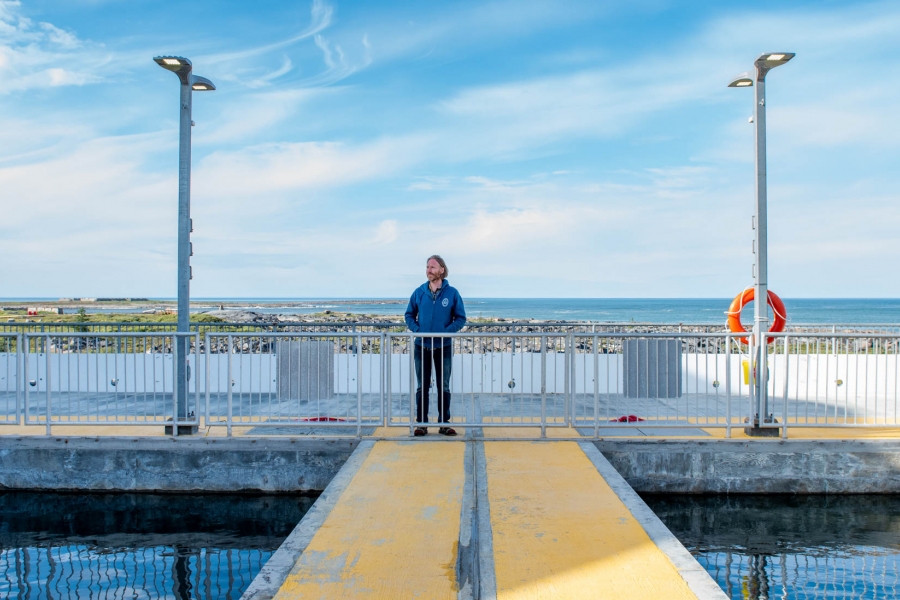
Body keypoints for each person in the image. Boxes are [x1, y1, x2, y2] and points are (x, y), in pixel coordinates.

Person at [404, 255, 466, 436]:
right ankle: (421, 424)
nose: (428, 270)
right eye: (427, 267)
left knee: (443, 386)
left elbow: (461, 318)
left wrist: (447, 332)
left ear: (442, 270)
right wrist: (418, 330)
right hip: (421, 346)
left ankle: (444, 424)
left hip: (443, 346)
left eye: (432, 267)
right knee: (422, 386)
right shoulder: (419, 292)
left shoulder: (452, 293)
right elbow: (409, 315)